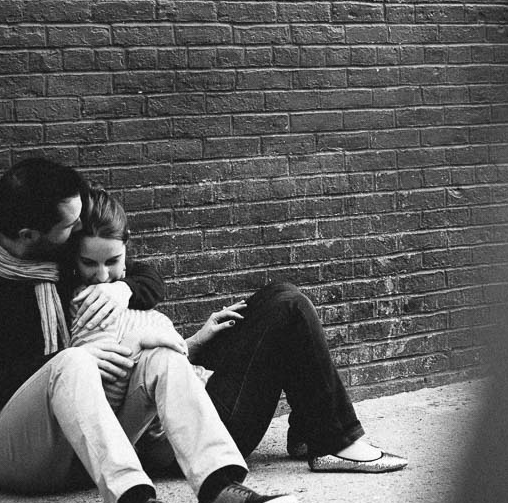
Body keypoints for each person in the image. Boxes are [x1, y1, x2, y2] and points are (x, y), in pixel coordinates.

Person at [0, 157, 298, 503]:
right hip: (16, 450)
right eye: (70, 224)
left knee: (159, 354)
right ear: (29, 235)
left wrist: (121, 291)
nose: (81, 226)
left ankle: (218, 491)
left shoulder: (63, 257)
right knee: (72, 364)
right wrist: (65, 359)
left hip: (86, 446)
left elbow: (143, 275)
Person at [67, 187, 408, 474]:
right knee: (288, 308)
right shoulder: (86, 304)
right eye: (89, 263)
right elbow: (115, 386)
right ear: (72, 259)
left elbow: (149, 290)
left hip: (189, 399)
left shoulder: (123, 287)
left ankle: (311, 429)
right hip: (182, 437)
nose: (102, 276)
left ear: (127, 247)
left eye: (112, 261)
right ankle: (337, 441)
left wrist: (194, 343)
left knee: (275, 296)